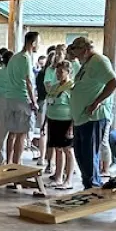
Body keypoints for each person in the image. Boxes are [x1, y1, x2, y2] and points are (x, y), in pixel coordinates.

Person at [66, 37, 116, 188]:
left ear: (85, 49)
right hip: (81, 117)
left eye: (77, 51)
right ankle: (88, 185)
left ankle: (93, 186)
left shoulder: (99, 61)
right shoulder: (86, 63)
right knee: (81, 155)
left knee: (89, 155)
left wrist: (97, 102)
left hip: (93, 117)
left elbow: (113, 83)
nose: (75, 55)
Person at [1, 31, 39, 167]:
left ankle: (9, 162)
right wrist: (34, 102)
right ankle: (17, 166)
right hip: (22, 99)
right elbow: (28, 81)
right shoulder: (25, 58)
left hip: (10, 98)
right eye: (37, 42)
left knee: (12, 133)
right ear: (33, 43)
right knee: (21, 134)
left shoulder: (14, 57)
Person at [44, 60, 76, 189]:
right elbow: (49, 103)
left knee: (67, 150)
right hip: (53, 119)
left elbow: (75, 107)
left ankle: (68, 180)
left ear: (68, 72)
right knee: (57, 149)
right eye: (57, 72)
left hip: (66, 121)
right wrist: (44, 123)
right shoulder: (55, 86)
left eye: (61, 72)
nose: (58, 74)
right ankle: (58, 177)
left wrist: (71, 127)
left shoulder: (72, 87)